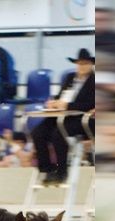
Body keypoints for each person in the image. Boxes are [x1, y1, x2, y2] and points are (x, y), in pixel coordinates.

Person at [31, 48, 95, 185]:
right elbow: (61, 96)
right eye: (79, 63)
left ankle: (62, 172)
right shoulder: (70, 78)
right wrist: (54, 102)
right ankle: (46, 169)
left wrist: (67, 106)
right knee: (38, 132)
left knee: (59, 133)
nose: (81, 66)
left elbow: (89, 103)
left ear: (91, 64)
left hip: (83, 118)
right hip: (63, 116)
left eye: (85, 63)